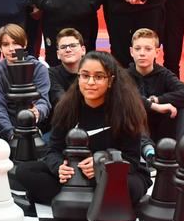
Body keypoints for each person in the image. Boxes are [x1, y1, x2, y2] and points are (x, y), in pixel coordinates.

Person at [15, 51, 152, 205]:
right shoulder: (67, 107)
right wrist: (59, 167)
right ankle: (97, 202)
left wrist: (101, 165)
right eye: (85, 76)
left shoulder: (126, 110)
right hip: (75, 172)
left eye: (99, 77)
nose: (90, 82)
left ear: (110, 80)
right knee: (24, 171)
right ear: (78, 77)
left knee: (132, 187)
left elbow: (131, 160)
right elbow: (52, 150)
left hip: (108, 174)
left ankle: (72, 200)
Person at [128, 28, 184, 142]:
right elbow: (125, 98)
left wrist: (159, 100)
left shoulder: (164, 74)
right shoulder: (125, 75)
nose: (142, 53)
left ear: (157, 52)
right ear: (131, 51)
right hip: (135, 132)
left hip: (162, 130)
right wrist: (153, 105)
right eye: (137, 49)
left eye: (148, 49)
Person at [0, 24, 51, 141]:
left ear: (24, 44)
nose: (11, 48)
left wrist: (37, 112)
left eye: (15, 43)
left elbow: (43, 99)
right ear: (0, 48)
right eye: (6, 44)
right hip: (5, 126)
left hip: (34, 122)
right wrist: (11, 134)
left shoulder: (39, 68)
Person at [48, 28, 86, 110]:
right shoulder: (50, 74)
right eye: (63, 47)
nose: (68, 50)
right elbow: (61, 101)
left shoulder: (92, 73)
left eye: (73, 45)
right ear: (58, 54)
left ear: (83, 50)